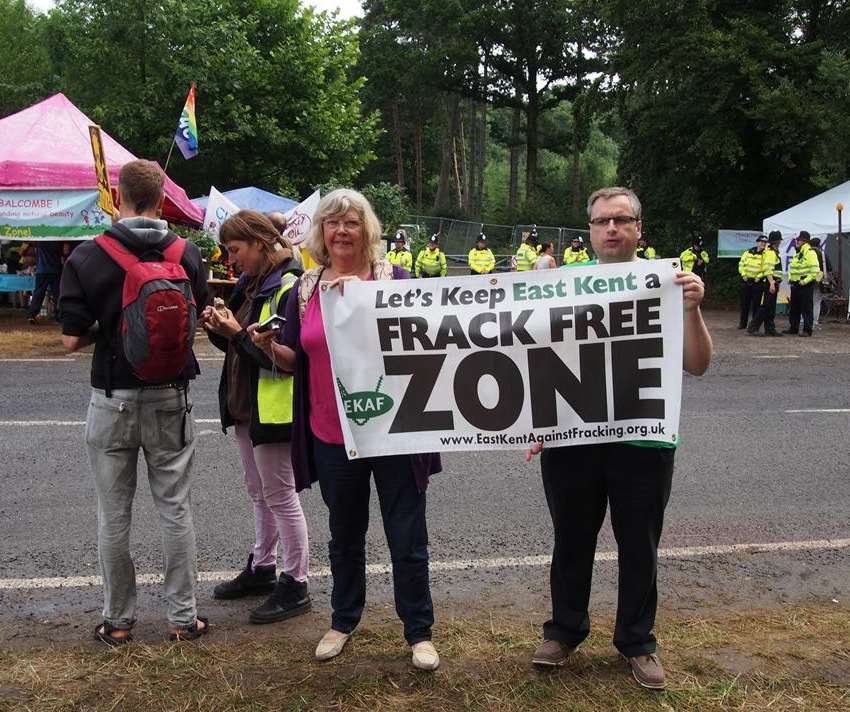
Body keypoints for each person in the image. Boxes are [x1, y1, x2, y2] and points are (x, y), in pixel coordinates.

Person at [527, 186, 712, 691]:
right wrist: (536, 420)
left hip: (644, 443)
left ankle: (637, 642)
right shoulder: (562, 283)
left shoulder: (669, 284)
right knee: (571, 540)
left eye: (622, 219)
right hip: (573, 440)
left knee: (639, 546)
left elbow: (697, 364)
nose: (612, 228)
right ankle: (564, 632)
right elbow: (536, 359)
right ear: (589, 230)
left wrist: (693, 308)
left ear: (638, 229)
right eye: (602, 220)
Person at [251, 188, 442, 671]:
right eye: (333, 223)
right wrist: (268, 346)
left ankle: (419, 632)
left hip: (393, 431)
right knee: (345, 534)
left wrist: (364, 301)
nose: (341, 231)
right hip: (331, 432)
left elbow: (429, 341)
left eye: (352, 223)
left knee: (407, 535)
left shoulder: (394, 278)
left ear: (367, 230)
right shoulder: (306, 288)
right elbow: (298, 357)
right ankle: (342, 620)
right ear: (321, 232)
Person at [58, 159, 210, 644]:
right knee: (175, 508)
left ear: (117, 195)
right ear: (162, 197)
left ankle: (118, 622)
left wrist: (113, 325)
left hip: (112, 397)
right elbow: (197, 319)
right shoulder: (188, 254)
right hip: (170, 396)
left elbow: (69, 340)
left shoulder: (87, 256)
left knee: (114, 513)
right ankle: (183, 619)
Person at [200, 210, 310, 624]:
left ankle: (296, 581)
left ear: (260, 244)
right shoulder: (249, 283)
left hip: (273, 405)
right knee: (259, 491)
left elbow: (283, 359)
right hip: (246, 404)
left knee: (280, 494)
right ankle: (264, 566)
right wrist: (217, 327)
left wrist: (233, 334)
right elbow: (237, 343)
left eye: (235, 250)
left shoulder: (287, 285)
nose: (231, 260)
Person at [783, 230, 821, 337]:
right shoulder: (798, 253)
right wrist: (791, 278)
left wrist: (804, 281)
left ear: (804, 241)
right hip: (795, 284)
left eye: (799, 239)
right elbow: (793, 269)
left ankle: (807, 330)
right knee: (794, 308)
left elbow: (815, 271)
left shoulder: (810, 253)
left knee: (806, 308)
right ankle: (793, 328)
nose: (797, 241)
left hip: (805, 285)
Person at [747, 231, 784, 337]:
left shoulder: (774, 252)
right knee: (766, 306)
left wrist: (776, 283)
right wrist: (772, 283)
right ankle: (753, 327)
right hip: (770, 282)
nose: (780, 242)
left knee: (771, 307)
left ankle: (770, 328)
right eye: (779, 241)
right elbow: (767, 269)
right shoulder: (771, 253)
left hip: (774, 282)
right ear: (777, 242)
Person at [27, 241, 63, 324]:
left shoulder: (40, 239)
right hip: (55, 270)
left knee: (38, 293)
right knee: (57, 294)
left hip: (42, 270)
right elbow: (64, 252)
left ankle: (32, 315)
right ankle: (59, 316)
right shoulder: (58, 240)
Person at [737, 235, 768, 329]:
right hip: (746, 281)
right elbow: (741, 264)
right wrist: (743, 274)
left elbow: (766, 268)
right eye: (761, 242)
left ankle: (754, 325)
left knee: (756, 304)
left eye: (765, 242)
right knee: (744, 303)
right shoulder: (747, 252)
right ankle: (743, 323)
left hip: (757, 282)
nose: (763, 244)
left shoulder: (766, 254)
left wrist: (759, 277)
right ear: (757, 242)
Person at [809, 237, 830, 325]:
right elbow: (830, 267)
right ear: (819, 244)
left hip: (807, 280)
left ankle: (804, 320)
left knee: (807, 302)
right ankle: (814, 321)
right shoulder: (822, 254)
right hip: (819, 280)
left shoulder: (807, 253)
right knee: (817, 302)